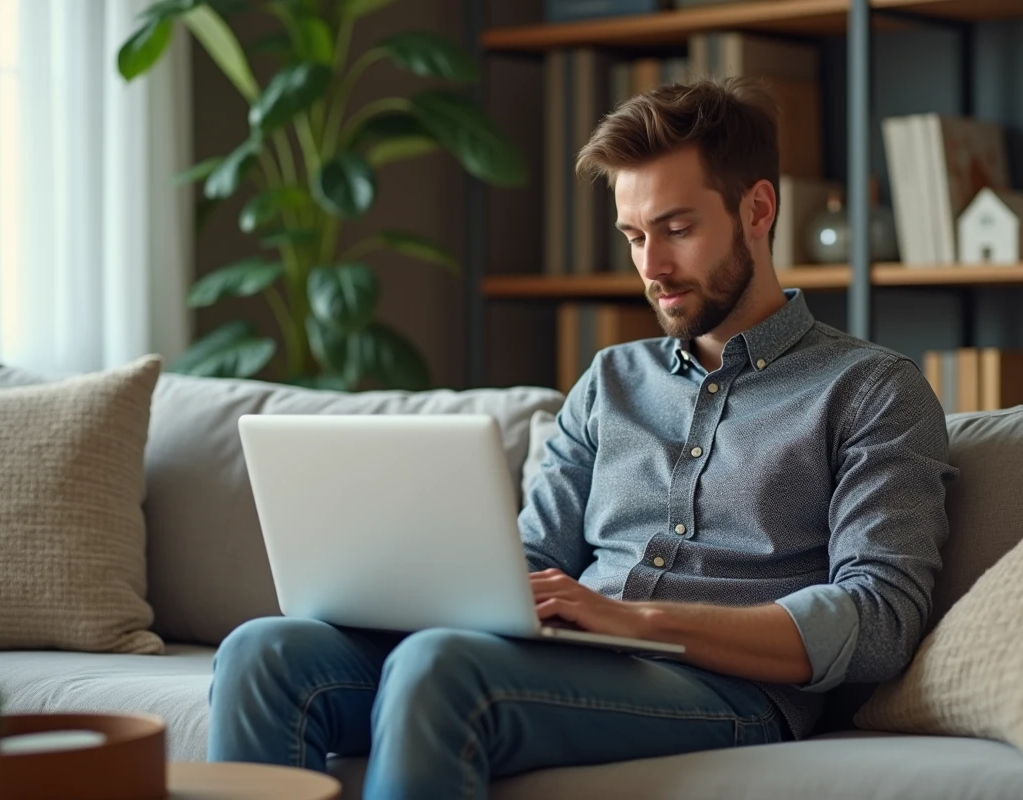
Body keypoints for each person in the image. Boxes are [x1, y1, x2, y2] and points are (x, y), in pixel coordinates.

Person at [207, 77, 958, 800]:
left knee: (443, 668)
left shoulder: (870, 389)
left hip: (730, 692)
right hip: (565, 662)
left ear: (758, 209)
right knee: (264, 652)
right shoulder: (610, 381)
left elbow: (879, 620)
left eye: (677, 229)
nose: (651, 268)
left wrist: (632, 620)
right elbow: (529, 561)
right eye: (634, 236)